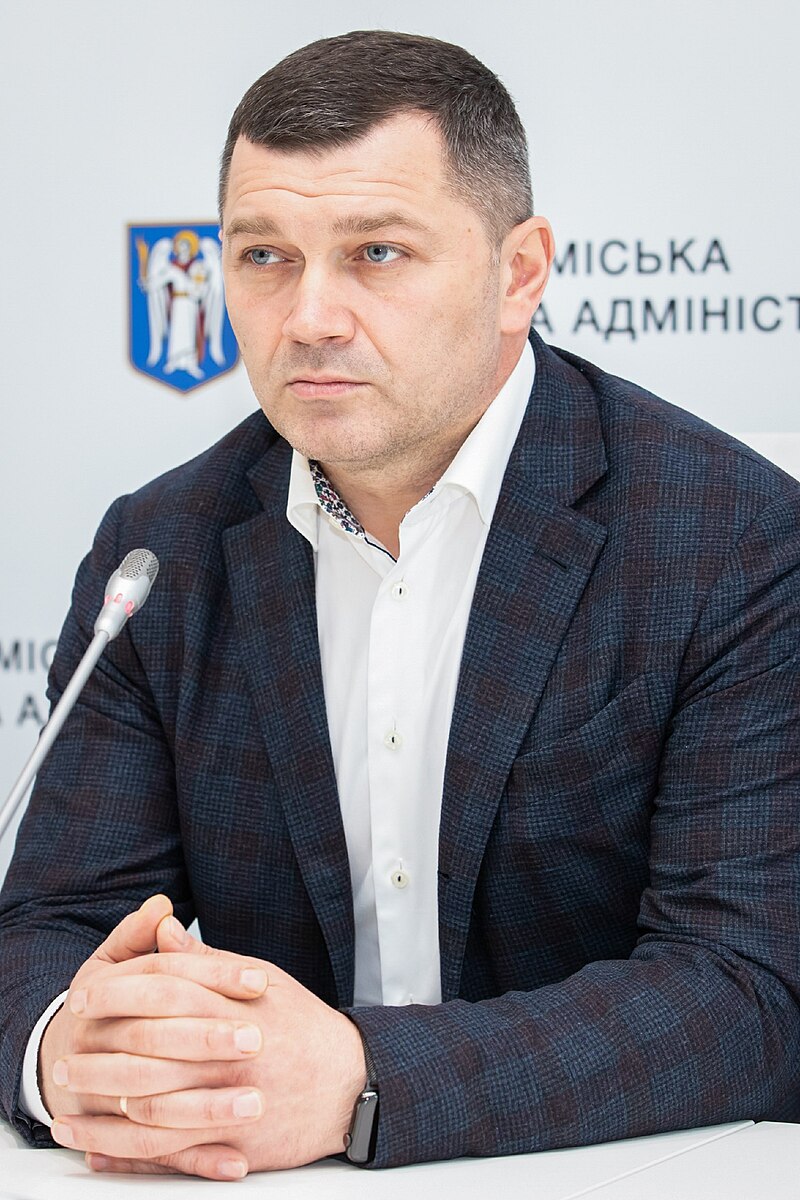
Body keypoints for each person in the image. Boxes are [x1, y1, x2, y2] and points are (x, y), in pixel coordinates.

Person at [1, 29, 799, 1183]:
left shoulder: (730, 541)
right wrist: (65, 1050)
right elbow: (50, 928)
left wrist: (359, 1080)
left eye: (375, 253)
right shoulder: (161, 550)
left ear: (518, 273)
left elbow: (747, 988)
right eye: (264, 256)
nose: (309, 317)